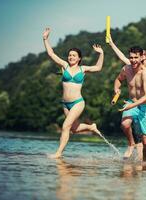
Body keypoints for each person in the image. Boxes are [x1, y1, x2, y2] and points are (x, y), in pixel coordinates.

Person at [43, 28, 104, 158]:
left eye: (74, 55)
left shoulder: (83, 69)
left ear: (79, 58)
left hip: (77, 103)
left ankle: (58, 153)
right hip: (65, 104)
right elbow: (51, 54)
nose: (71, 57)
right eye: (70, 55)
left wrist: (101, 53)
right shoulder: (64, 66)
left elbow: (98, 68)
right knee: (73, 129)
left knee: (65, 126)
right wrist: (45, 39)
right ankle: (91, 127)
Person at [114, 46, 146, 162]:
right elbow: (118, 80)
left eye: (136, 57)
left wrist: (131, 106)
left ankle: (145, 163)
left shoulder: (145, 73)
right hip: (132, 102)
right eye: (131, 57)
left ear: (142, 57)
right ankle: (132, 143)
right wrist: (116, 88)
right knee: (125, 124)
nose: (133, 60)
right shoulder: (126, 69)